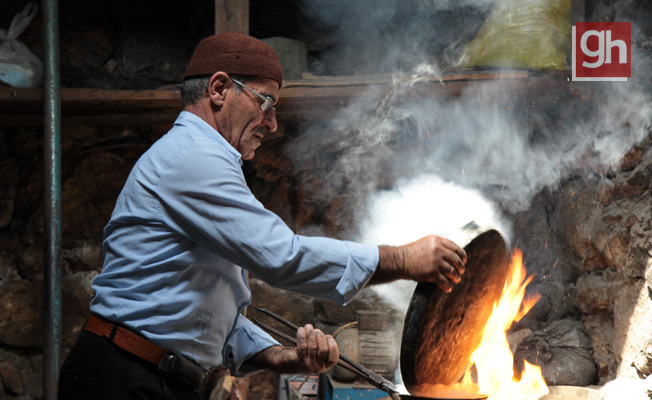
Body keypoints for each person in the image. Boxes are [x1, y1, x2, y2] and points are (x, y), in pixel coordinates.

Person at [58, 32, 467, 400]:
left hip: (152, 378)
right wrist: (399, 259)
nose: (271, 124)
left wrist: (281, 357)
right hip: (124, 379)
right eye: (266, 102)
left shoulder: (208, 162)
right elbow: (282, 255)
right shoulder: (192, 157)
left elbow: (207, 310)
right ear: (219, 89)